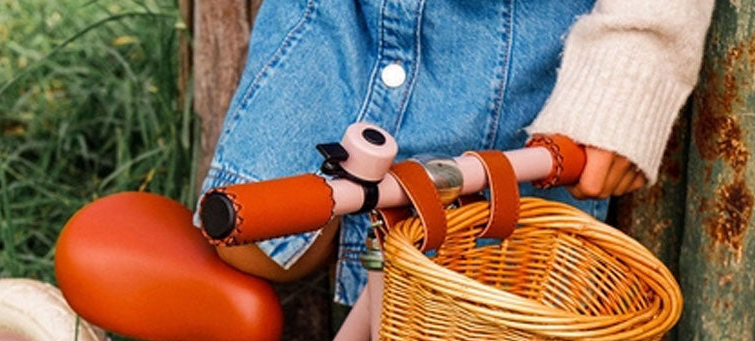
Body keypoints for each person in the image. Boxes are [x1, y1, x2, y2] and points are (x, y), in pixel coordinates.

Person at [198, 0, 716, 303]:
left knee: (465, 317)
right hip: (343, 23)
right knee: (253, 240)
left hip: (507, 53)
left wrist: (631, 68)